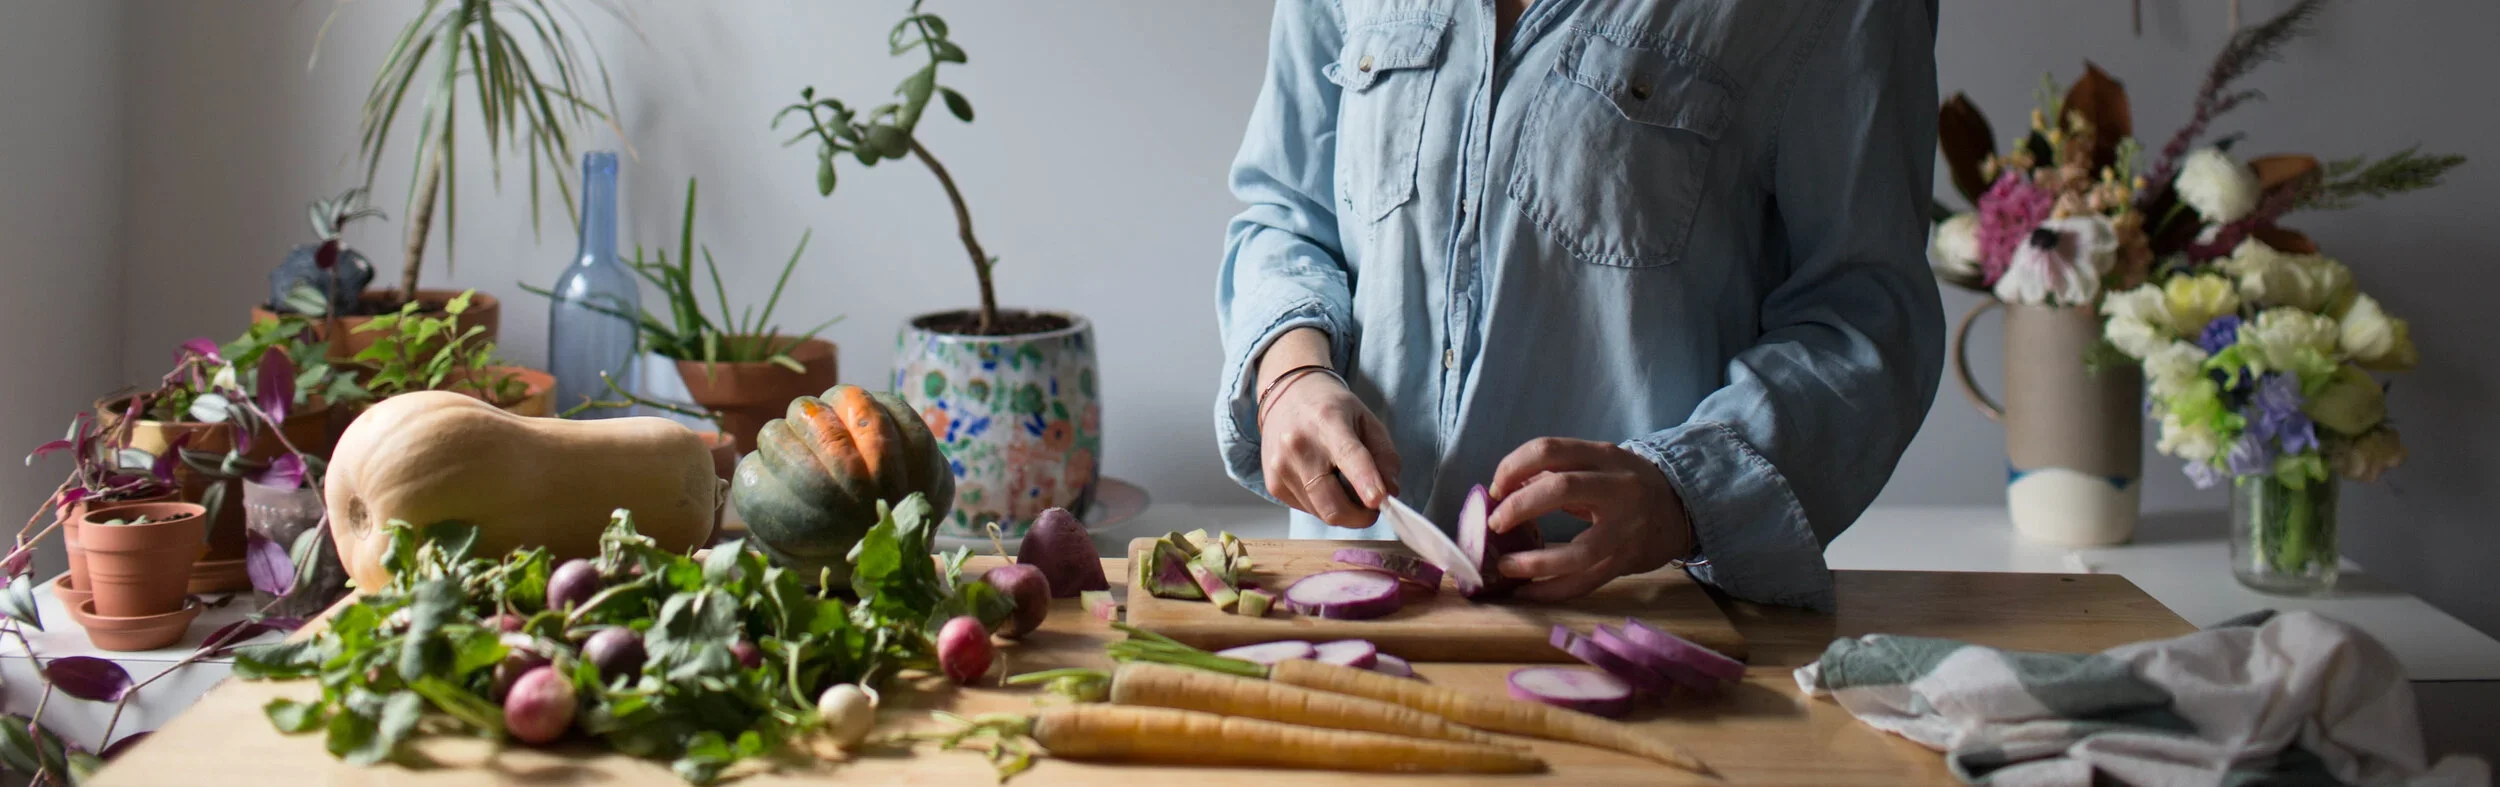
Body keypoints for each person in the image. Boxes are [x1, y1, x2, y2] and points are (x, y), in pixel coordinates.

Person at [1214, 0, 1944, 610]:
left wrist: (1680, 494)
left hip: (1637, 631)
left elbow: (1865, 317)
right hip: (1347, 615)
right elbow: (1287, 212)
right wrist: (1290, 375)